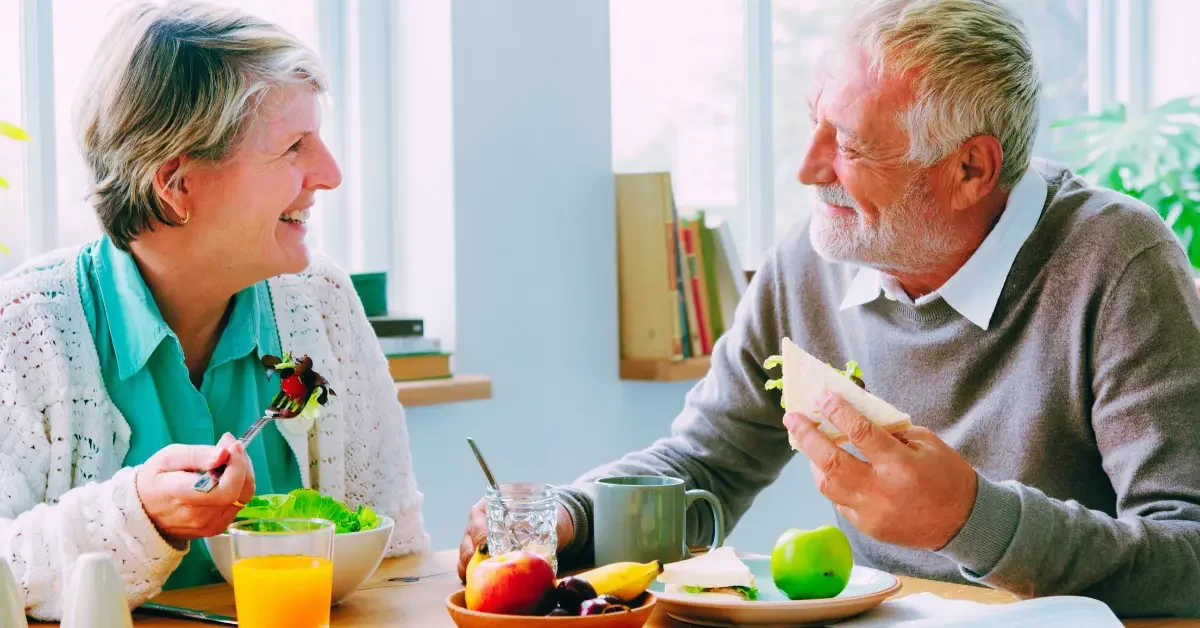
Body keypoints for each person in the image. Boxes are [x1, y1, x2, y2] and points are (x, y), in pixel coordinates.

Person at [460, 0, 1200, 617]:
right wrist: (573, 516)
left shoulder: (1120, 262)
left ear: (970, 168)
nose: (809, 167)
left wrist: (969, 519)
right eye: (816, 122)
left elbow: (1188, 556)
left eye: (847, 143)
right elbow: (704, 461)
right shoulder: (815, 257)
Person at [0, 1, 429, 620]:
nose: (330, 173)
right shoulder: (24, 328)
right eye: (293, 147)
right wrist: (140, 514)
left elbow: (397, 561)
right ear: (176, 186)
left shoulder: (323, 302)